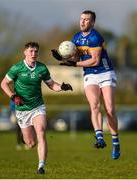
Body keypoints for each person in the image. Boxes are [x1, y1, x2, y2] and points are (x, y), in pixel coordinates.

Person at [51, 10, 120, 160]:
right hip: (90, 75)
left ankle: (115, 140)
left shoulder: (95, 37)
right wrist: (62, 57)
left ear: (92, 23)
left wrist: (73, 64)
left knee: (109, 108)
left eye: (86, 20)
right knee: (94, 105)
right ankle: (100, 137)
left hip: (105, 73)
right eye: (81, 19)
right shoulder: (76, 37)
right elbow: (76, 56)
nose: (82, 22)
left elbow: (94, 61)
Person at [1, 41, 73, 174]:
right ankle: (27, 136)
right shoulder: (17, 68)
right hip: (22, 109)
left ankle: (41, 166)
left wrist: (61, 87)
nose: (33, 54)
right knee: (31, 143)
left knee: (41, 131)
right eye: (31, 51)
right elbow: (4, 83)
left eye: (36, 52)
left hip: (38, 106)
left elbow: (52, 85)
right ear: (25, 52)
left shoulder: (42, 68)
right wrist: (13, 96)